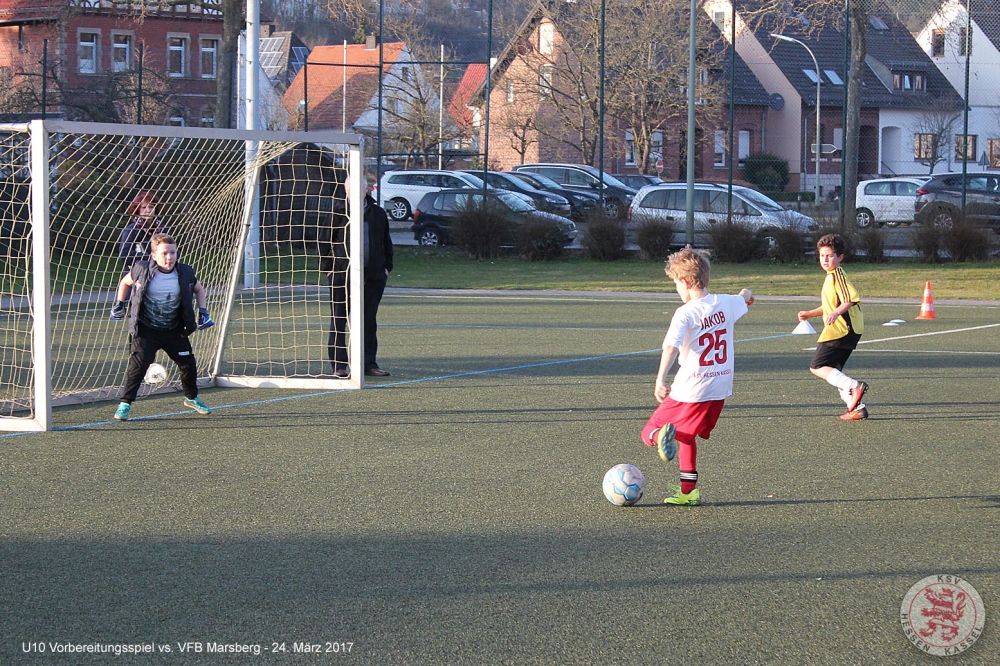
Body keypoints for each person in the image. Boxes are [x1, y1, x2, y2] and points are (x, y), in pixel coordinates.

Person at [640, 246, 754, 506]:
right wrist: (748, 296)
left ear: (686, 281)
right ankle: (689, 492)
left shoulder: (686, 313)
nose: (677, 291)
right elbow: (745, 295)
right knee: (687, 437)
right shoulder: (726, 302)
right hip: (720, 387)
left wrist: (660, 380)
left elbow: (670, 347)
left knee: (649, 431)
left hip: (691, 388)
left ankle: (660, 437)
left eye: (676, 285)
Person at [109, 232, 214, 421]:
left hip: (174, 328)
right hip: (146, 330)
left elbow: (198, 289)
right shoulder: (141, 269)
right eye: (164, 253)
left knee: (187, 363)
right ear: (153, 256)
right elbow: (125, 282)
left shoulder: (185, 272)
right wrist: (119, 304)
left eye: (172, 253)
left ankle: (191, 398)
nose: (169, 257)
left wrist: (203, 312)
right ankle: (125, 403)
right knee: (138, 367)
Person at [321, 171, 393, 378]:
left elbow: (386, 243)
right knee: (339, 319)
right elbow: (324, 243)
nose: (355, 192)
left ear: (366, 189)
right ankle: (339, 365)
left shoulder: (377, 214)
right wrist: (329, 269)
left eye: (359, 188)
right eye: (351, 188)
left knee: (369, 320)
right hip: (341, 277)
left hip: (372, 277)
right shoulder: (336, 212)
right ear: (346, 190)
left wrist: (386, 267)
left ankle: (368, 364)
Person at [797, 233, 868, 420]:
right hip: (846, 330)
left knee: (817, 366)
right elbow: (830, 305)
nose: (825, 259)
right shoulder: (830, 277)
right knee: (833, 370)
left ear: (840, 257)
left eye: (829, 256)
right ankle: (857, 408)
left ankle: (854, 386)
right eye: (822, 256)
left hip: (842, 329)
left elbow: (849, 300)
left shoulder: (838, 276)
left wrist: (836, 313)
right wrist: (810, 314)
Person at [119, 191, 169, 273]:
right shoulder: (131, 230)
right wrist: (154, 258)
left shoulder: (163, 229)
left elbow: (175, 252)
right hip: (136, 272)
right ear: (138, 210)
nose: (148, 210)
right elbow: (124, 255)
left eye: (151, 207)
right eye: (144, 207)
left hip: (160, 272)